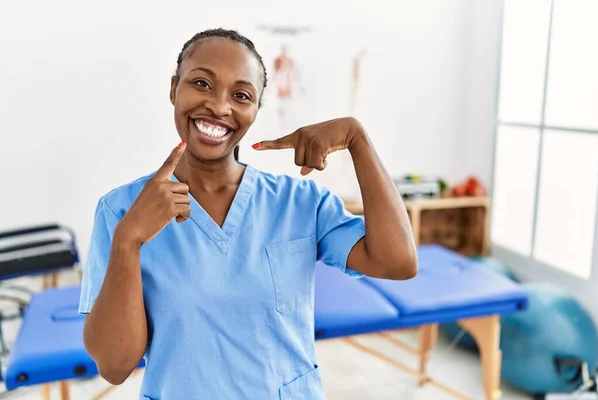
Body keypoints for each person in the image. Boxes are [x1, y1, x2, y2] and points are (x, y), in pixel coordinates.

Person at [79, 28, 417, 399]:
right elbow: (114, 366)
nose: (220, 107)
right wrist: (129, 240)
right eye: (202, 83)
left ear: (255, 110)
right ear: (174, 88)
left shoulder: (299, 202)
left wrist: (357, 139)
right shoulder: (121, 210)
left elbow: (398, 261)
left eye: (241, 95)